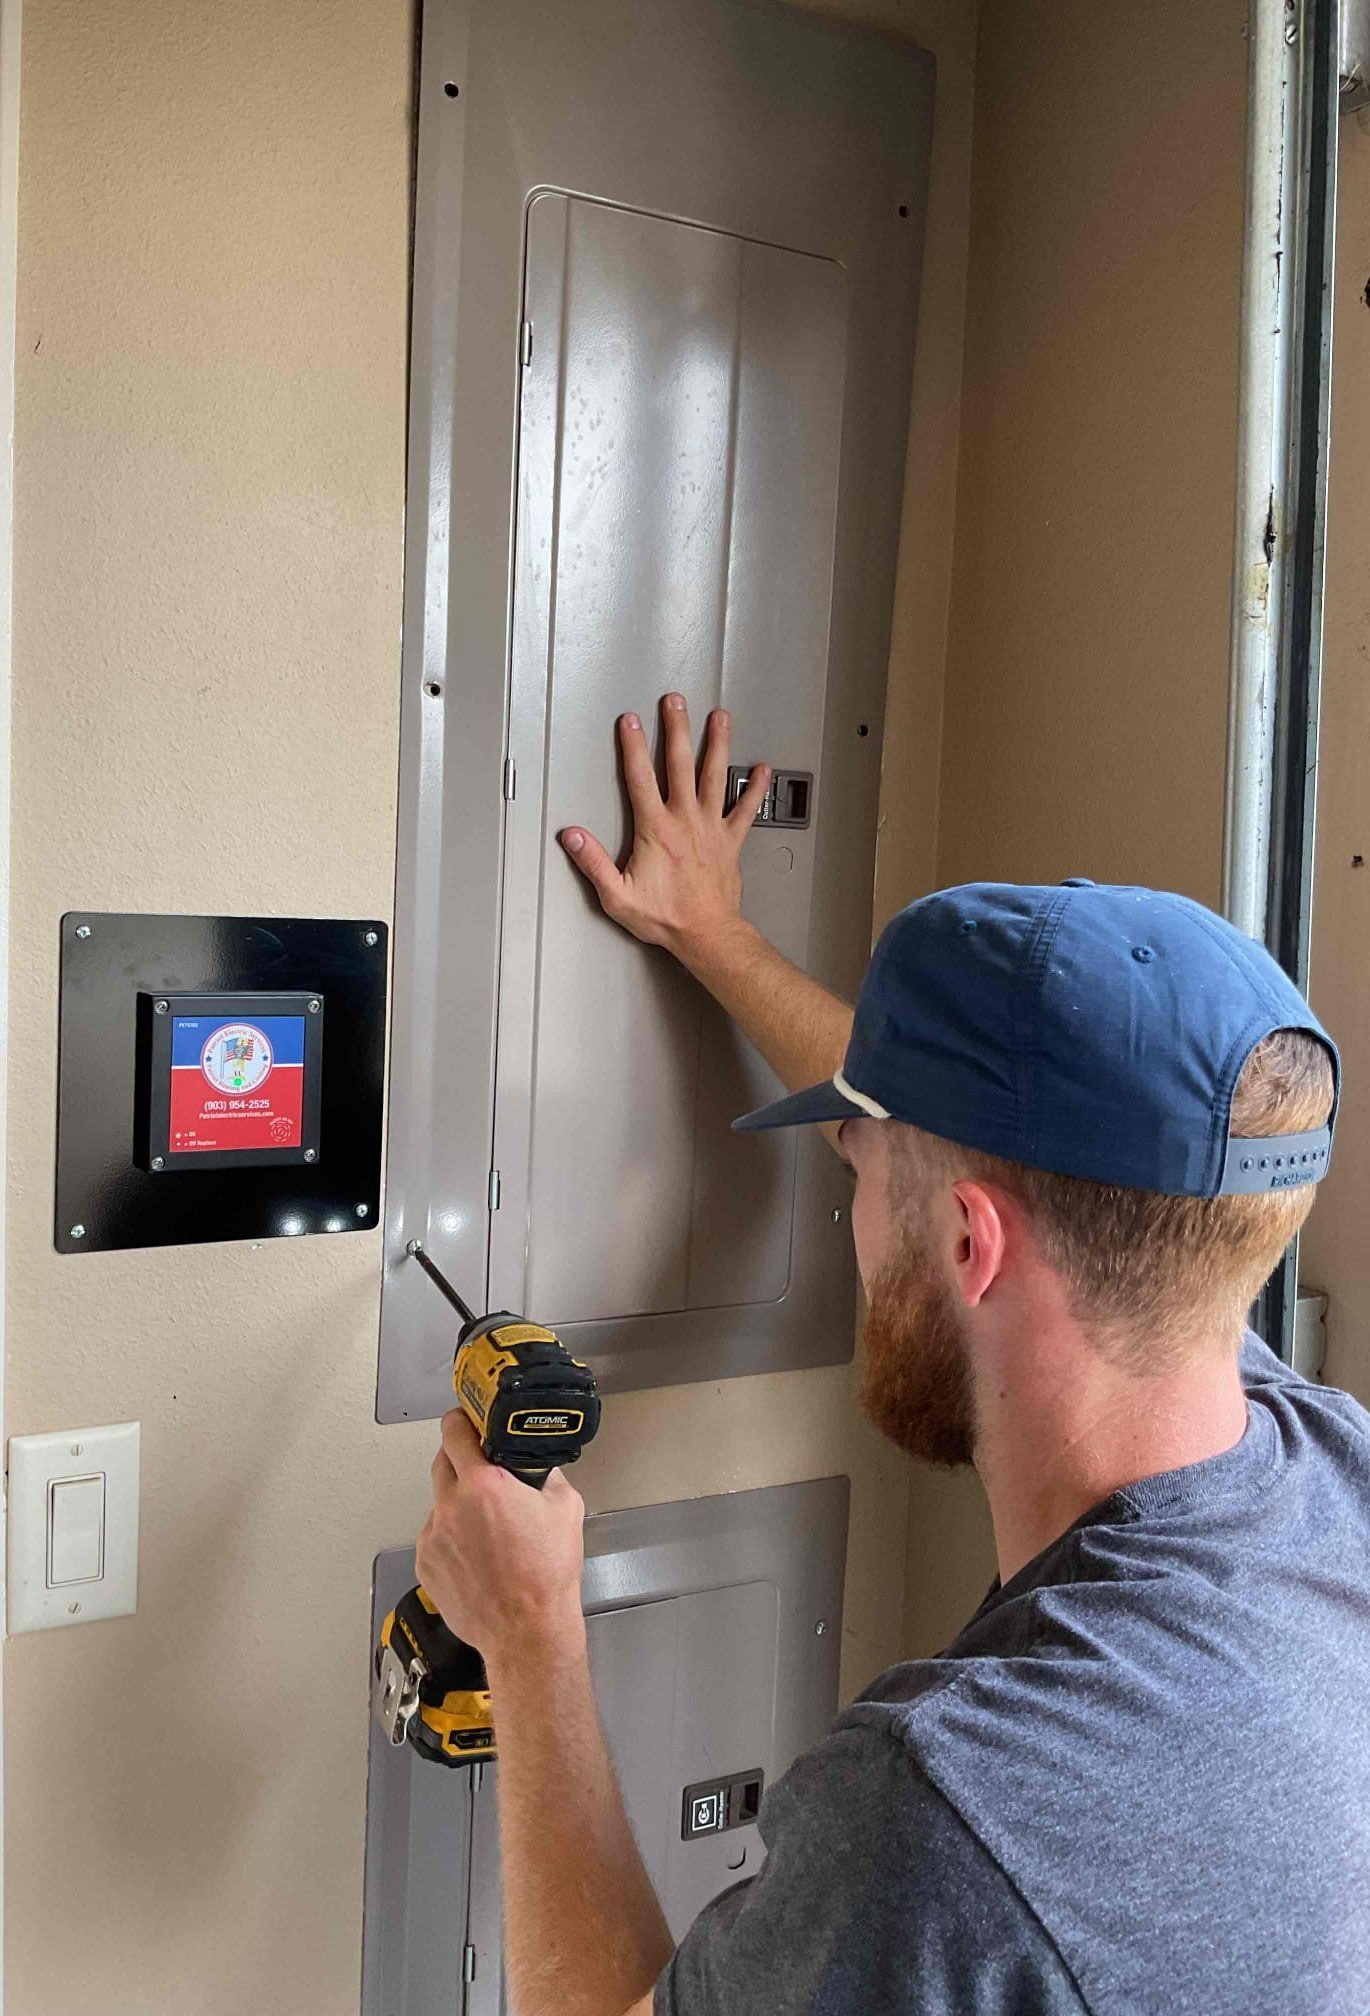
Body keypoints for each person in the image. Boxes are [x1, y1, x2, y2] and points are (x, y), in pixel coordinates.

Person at [414, 693, 1369, 2016]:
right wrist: (716, 936)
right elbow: (1010, 1158)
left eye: (858, 1166)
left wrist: (524, 1633)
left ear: (974, 1245)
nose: (850, 1204)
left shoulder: (948, 1816)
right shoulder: (1329, 1472)